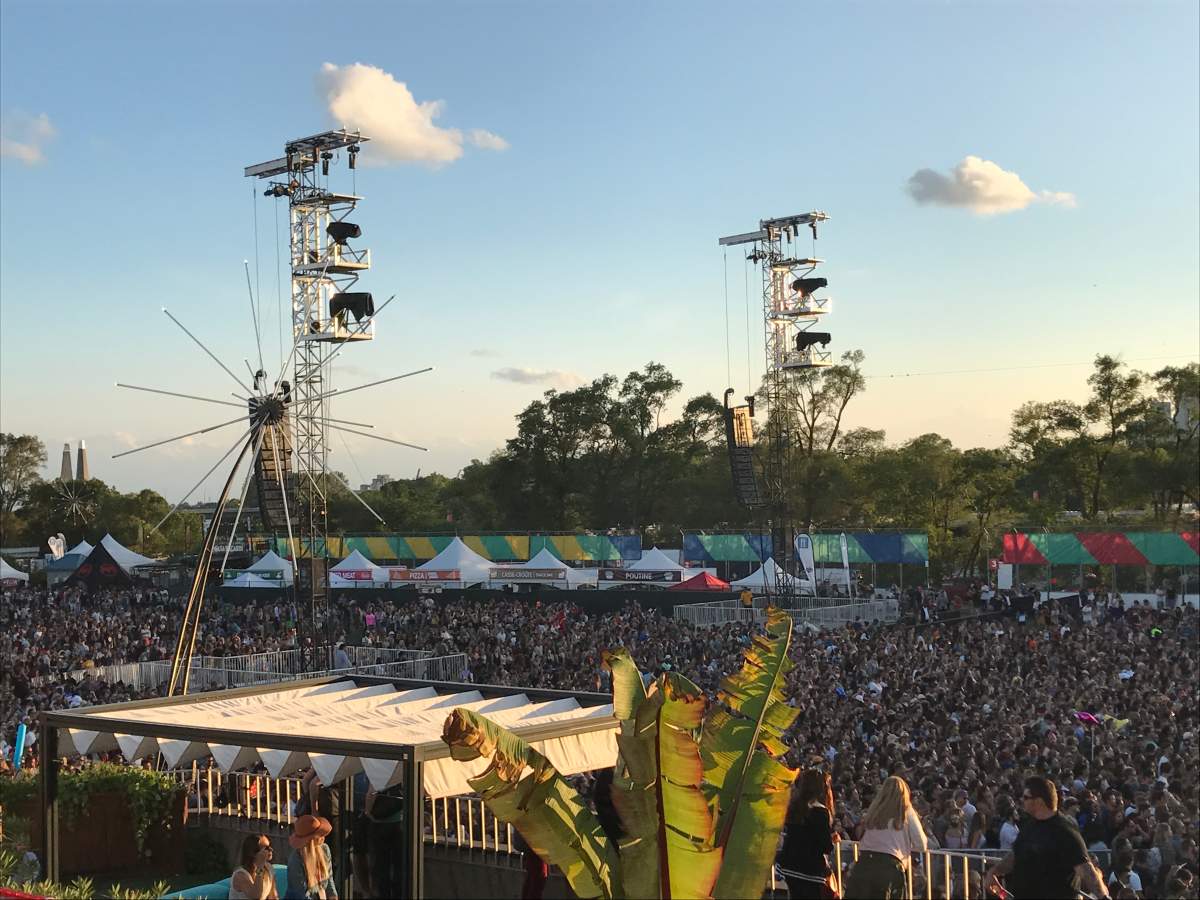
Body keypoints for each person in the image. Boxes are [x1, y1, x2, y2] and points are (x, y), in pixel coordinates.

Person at [984, 776, 1109, 900]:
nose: (1022, 800)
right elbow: (1016, 854)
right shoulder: (1029, 826)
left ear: (1039, 801)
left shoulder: (1065, 831)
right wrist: (994, 871)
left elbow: (1086, 870)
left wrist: (1103, 897)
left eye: (1026, 797)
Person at [843, 775, 926, 899]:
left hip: (864, 864)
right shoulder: (906, 812)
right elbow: (921, 843)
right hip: (889, 866)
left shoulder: (874, 811)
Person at [779, 769, 837, 899]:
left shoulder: (794, 808)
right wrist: (832, 840)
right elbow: (825, 846)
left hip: (790, 866)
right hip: (811, 871)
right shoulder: (821, 812)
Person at [286, 814, 337, 900]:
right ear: (310, 840)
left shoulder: (325, 849)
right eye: (319, 834)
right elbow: (302, 895)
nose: (323, 836)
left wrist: (333, 896)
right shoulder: (296, 860)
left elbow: (329, 879)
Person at [230, 833, 279, 900]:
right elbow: (256, 896)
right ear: (253, 853)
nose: (271, 849)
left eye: (270, 846)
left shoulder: (269, 868)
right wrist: (260, 867)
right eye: (266, 848)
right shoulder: (240, 875)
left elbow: (273, 896)